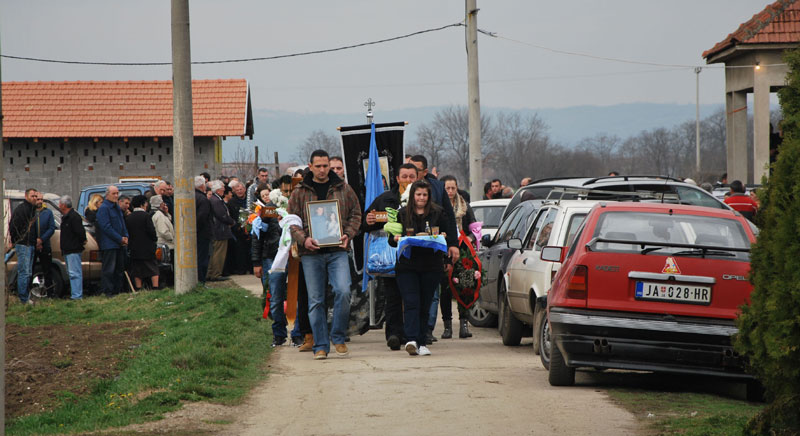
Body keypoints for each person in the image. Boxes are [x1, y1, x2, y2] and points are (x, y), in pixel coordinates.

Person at [287, 149, 362, 360]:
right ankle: (320, 345)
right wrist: (304, 239)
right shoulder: (300, 192)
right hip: (311, 253)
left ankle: (338, 336)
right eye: (318, 166)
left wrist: (348, 234)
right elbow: (291, 221)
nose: (322, 169)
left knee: (343, 291)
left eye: (325, 166)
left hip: (338, 250)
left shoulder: (343, 188)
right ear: (310, 166)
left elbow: (356, 214)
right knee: (316, 300)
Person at [389, 181, 459, 356]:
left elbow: (448, 235)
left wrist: (446, 245)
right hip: (407, 265)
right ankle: (411, 339)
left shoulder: (438, 213)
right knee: (411, 302)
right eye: (418, 194)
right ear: (412, 195)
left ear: (429, 197)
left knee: (425, 303)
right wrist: (395, 238)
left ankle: (422, 342)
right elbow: (392, 239)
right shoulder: (402, 214)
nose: (421, 198)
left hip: (431, 265)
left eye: (424, 195)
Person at [363, 163, 419, 349]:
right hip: (390, 256)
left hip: (416, 256)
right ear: (397, 178)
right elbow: (366, 223)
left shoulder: (422, 198)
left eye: (412, 177)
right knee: (393, 297)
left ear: (417, 178)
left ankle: (414, 334)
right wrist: (369, 220)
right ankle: (394, 334)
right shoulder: (385, 198)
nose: (408, 180)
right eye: (404, 176)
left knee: (413, 297)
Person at [408, 154, 459, 343]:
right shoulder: (403, 187)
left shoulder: (437, 187)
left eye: (416, 170)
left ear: (424, 172)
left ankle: (427, 329)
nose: (411, 173)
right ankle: (410, 332)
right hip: (409, 254)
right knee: (411, 296)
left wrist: (452, 244)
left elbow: (449, 218)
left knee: (431, 293)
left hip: (433, 252)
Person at [251, 184, 289, 347]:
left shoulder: (297, 206)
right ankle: (279, 333)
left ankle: (299, 333)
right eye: (285, 190)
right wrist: (256, 262)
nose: (287, 193)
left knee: (297, 295)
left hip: (295, 257)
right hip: (272, 257)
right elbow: (258, 235)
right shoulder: (269, 210)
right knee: (275, 296)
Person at [440, 175, 477, 339]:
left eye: (452, 188)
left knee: (465, 286)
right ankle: (447, 326)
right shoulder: (439, 207)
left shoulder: (465, 207)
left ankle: (464, 323)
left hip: (464, 252)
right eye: (447, 188)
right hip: (445, 251)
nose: (450, 191)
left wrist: (468, 238)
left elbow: (474, 229)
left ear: (457, 188)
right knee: (445, 289)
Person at [96, 185, 129, 297]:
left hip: (119, 244)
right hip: (109, 244)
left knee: (119, 269)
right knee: (109, 269)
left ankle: (117, 291)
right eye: (113, 193)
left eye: (117, 193)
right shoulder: (104, 208)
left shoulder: (116, 207)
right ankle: (108, 292)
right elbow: (106, 227)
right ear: (107, 194)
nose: (116, 196)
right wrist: (119, 238)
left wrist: (125, 236)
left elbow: (122, 223)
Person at [9, 188, 40, 304]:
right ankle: (23, 298)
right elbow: (13, 226)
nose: (34, 198)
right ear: (26, 196)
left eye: (36, 196)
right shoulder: (22, 209)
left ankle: (26, 296)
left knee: (29, 273)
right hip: (23, 244)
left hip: (30, 244)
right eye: (32, 196)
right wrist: (17, 240)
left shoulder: (33, 210)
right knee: (24, 272)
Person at [125, 195, 159, 290]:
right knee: (152, 268)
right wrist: (154, 239)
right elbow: (151, 231)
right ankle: (155, 287)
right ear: (142, 204)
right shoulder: (146, 216)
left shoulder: (129, 217)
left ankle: (138, 288)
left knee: (137, 270)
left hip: (134, 248)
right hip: (147, 247)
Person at [58, 195, 86, 300]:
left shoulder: (73, 217)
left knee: (75, 273)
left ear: (63, 205)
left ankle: (77, 296)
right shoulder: (66, 217)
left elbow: (80, 232)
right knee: (71, 273)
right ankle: (75, 294)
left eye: (60, 204)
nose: (59, 206)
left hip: (73, 249)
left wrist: (80, 242)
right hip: (68, 249)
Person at [208, 180, 234, 281]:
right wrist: (231, 221)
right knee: (219, 253)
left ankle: (210, 273)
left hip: (217, 230)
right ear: (218, 190)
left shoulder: (214, 199)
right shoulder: (216, 201)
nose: (224, 189)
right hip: (220, 230)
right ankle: (216, 274)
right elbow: (222, 215)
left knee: (215, 252)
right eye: (223, 188)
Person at [32, 192, 57, 296]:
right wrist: (35, 241)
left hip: (45, 245)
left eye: (41, 199)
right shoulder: (30, 212)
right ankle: (29, 294)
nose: (40, 201)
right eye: (38, 199)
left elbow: (51, 228)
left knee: (47, 270)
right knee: (30, 270)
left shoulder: (48, 212)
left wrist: (41, 240)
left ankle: (50, 293)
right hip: (32, 246)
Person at [194, 176, 213, 283]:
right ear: (202, 186)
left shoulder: (191, 197)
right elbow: (202, 217)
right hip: (202, 234)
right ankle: (201, 281)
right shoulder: (203, 199)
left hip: (193, 233)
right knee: (202, 258)